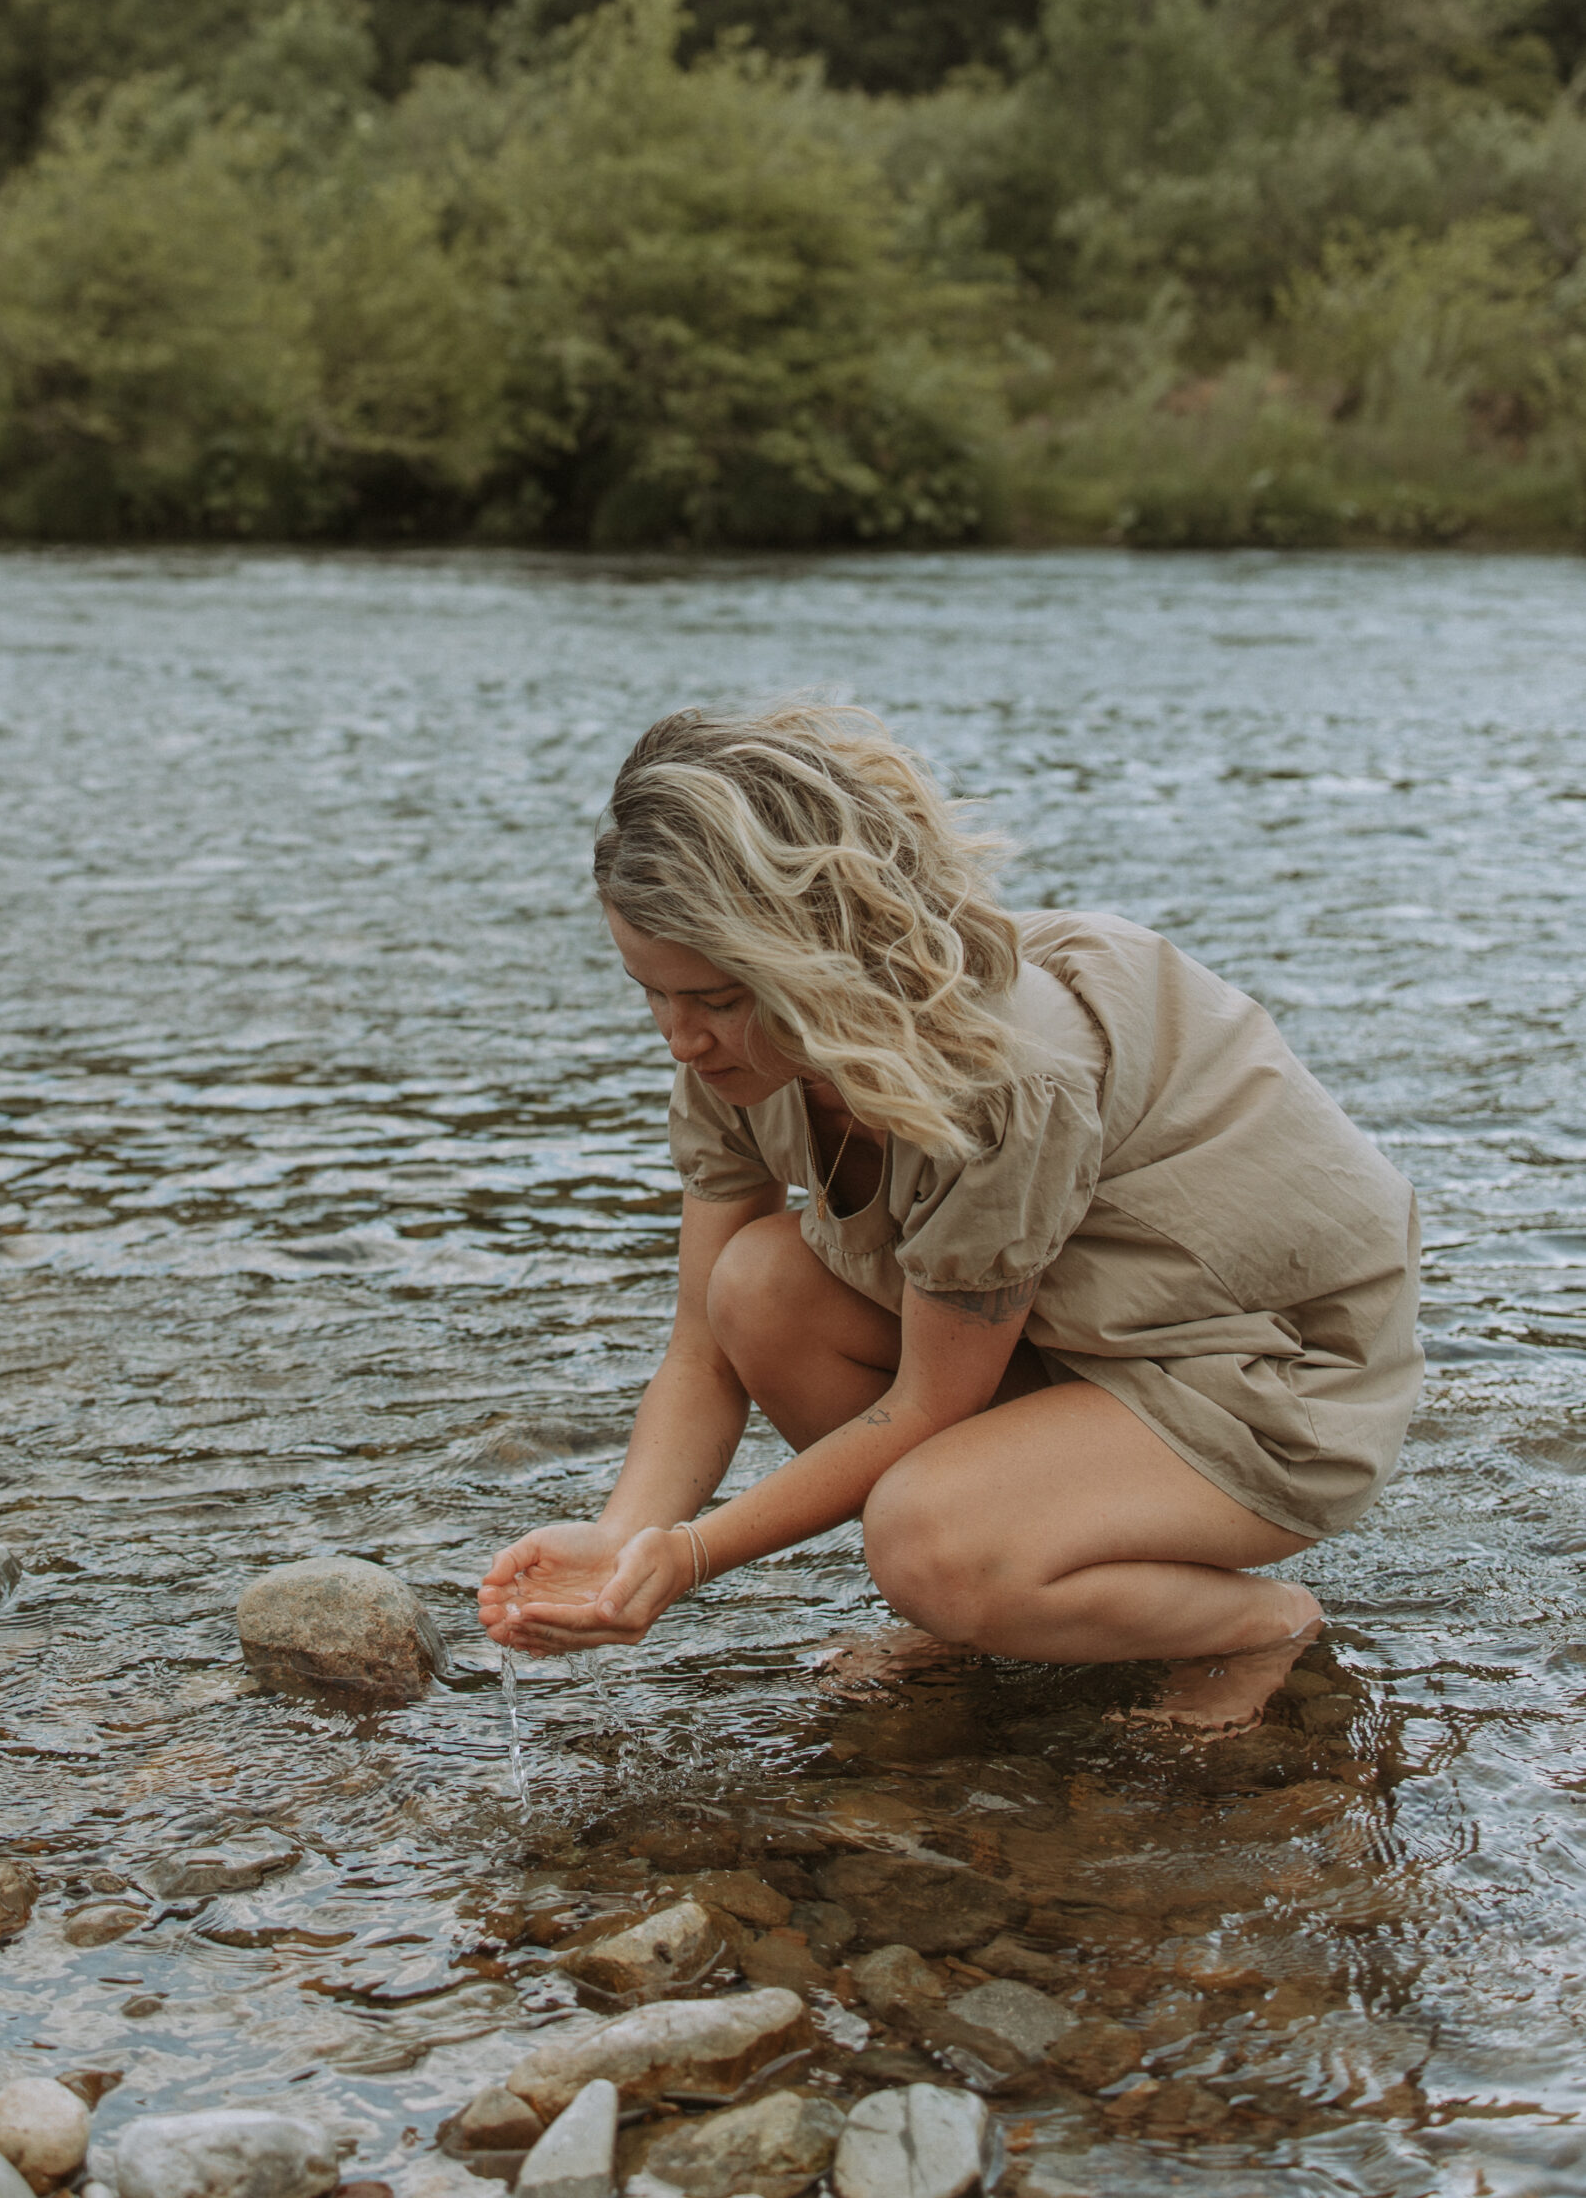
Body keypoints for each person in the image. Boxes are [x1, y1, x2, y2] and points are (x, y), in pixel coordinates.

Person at [478, 702, 1422, 1730]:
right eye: (650, 993)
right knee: (756, 1287)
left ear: (812, 956)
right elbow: (703, 1353)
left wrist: (694, 1554)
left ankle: (1254, 1624)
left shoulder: (999, 1079)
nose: (678, 1039)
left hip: (1263, 1375)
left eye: (709, 997)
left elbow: (928, 1404)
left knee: (925, 1538)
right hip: (1092, 1333)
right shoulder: (741, 1051)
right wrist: (626, 1535)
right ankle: (995, 1591)